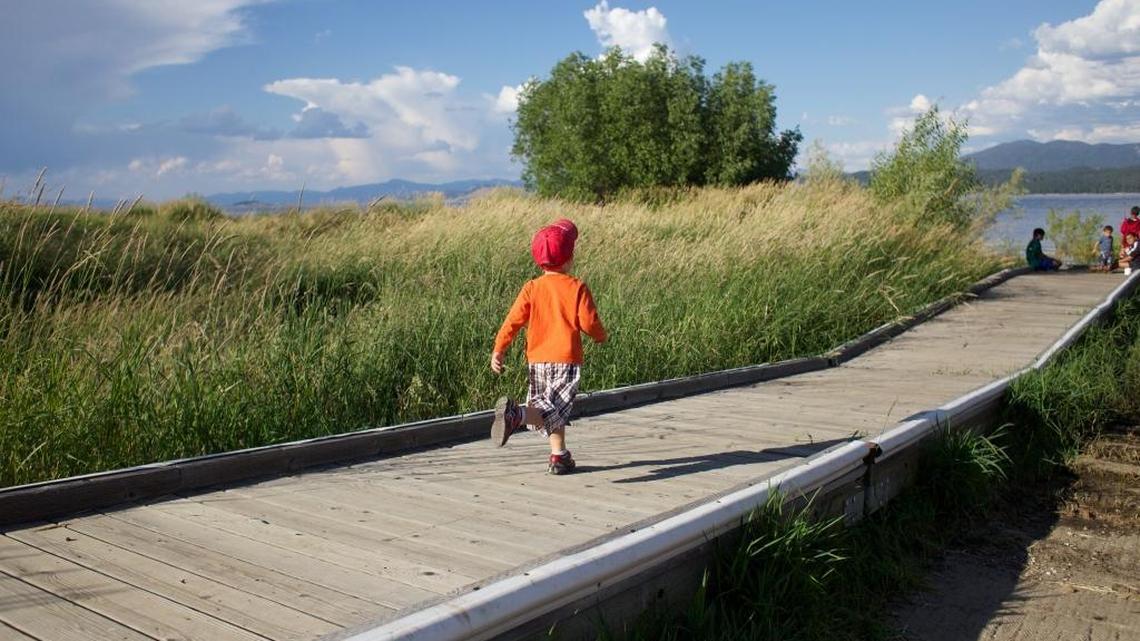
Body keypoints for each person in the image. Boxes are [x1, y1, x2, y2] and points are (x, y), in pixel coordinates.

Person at [490, 218, 607, 474]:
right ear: (569, 258)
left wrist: (499, 348)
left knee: (548, 408)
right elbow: (589, 322)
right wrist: (600, 336)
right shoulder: (576, 287)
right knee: (554, 407)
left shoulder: (531, 287)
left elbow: (513, 321)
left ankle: (559, 455)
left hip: (537, 360)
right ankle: (517, 415)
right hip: (565, 359)